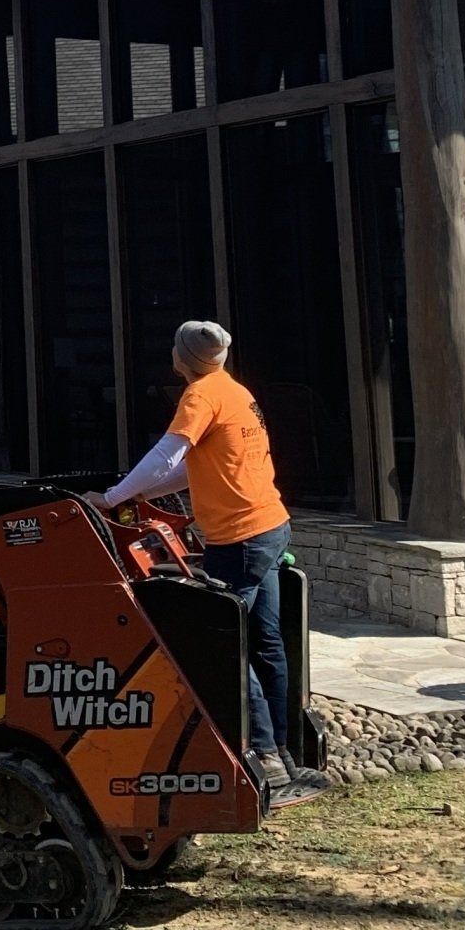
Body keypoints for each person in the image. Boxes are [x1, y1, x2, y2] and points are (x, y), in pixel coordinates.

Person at [100, 320, 328, 800]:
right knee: (265, 641)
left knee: (224, 642)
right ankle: (285, 752)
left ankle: (264, 757)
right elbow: (194, 470)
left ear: (180, 358)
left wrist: (112, 497)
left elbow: (167, 456)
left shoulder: (199, 395)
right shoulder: (235, 392)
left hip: (238, 540)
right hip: (271, 526)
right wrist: (138, 496)